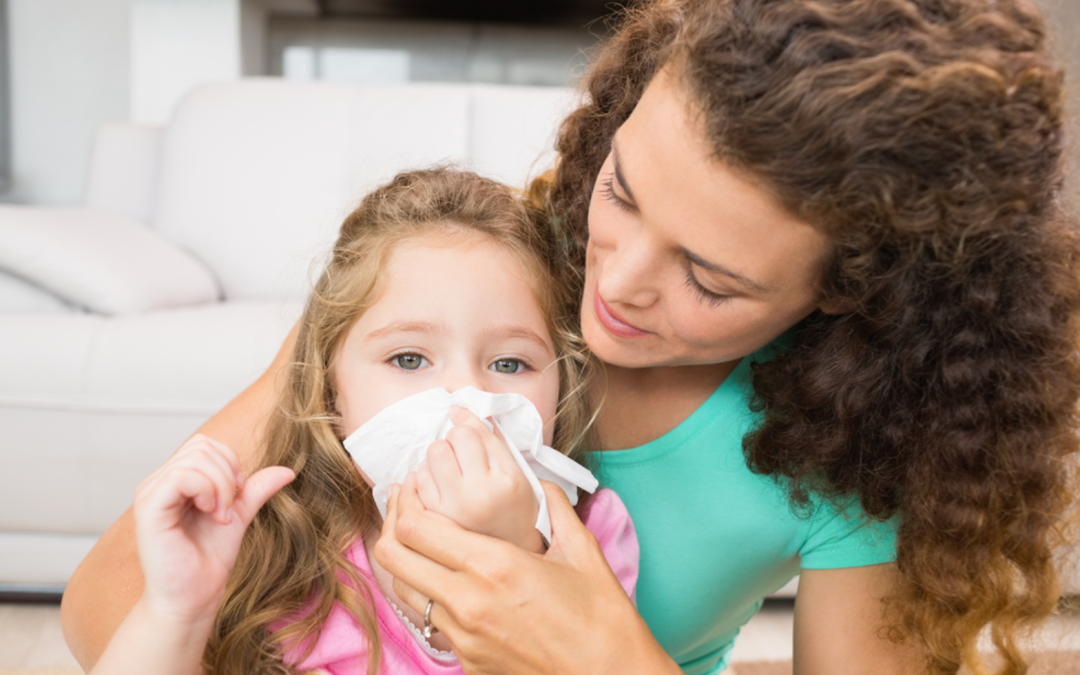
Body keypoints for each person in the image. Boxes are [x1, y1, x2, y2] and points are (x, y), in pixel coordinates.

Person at [63, 1, 1080, 674]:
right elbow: (106, 609)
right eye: (623, 191)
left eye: (710, 278)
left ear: (857, 295)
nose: (618, 283)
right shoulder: (457, 278)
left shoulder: (859, 467)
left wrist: (598, 653)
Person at [82, 168, 639, 675]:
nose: (465, 401)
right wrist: (176, 610)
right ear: (331, 388)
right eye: (409, 359)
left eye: (509, 363)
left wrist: (518, 554)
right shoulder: (279, 541)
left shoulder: (591, 541)